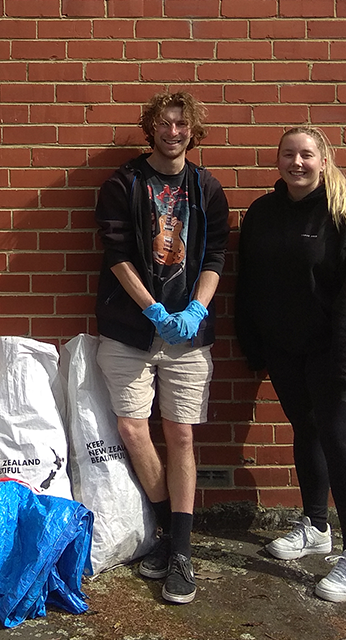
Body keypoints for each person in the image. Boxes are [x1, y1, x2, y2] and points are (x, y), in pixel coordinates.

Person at [94, 90, 230, 604]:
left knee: (180, 435)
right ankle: (171, 531)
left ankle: (181, 552)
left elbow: (216, 255)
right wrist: (151, 308)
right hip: (130, 328)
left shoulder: (206, 187)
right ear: (151, 129)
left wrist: (194, 309)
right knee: (132, 427)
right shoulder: (124, 183)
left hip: (188, 335)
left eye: (182, 125)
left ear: (193, 131)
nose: (174, 132)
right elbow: (117, 253)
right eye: (165, 124)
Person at [236, 126, 346, 602]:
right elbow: (249, 282)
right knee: (305, 430)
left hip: (332, 352)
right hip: (284, 350)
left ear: (323, 160)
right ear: (277, 159)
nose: (296, 163)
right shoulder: (262, 213)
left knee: (338, 439)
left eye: (306, 155)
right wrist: (253, 342)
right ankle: (316, 526)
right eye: (288, 154)